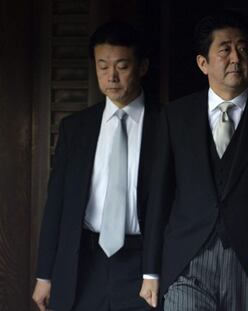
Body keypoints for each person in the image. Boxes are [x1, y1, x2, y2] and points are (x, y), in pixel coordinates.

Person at [139, 11, 248, 311]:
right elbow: (159, 195)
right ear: (203, 63)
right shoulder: (176, 116)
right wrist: (151, 271)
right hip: (186, 261)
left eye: (243, 49)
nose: (235, 58)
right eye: (224, 50)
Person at [32, 21, 159, 311]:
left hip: (143, 263)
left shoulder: (167, 124)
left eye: (122, 66)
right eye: (103, 66)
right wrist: (44, 274)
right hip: (83, 262)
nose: (111, 77)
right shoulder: (76, 128)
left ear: (142, 67)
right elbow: (57, 205)